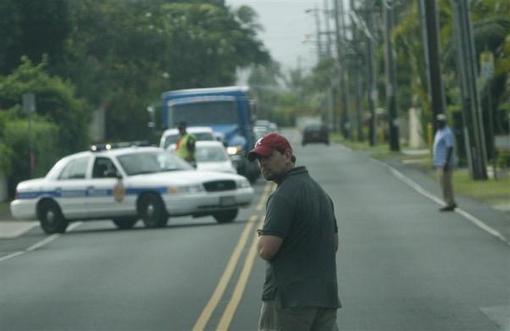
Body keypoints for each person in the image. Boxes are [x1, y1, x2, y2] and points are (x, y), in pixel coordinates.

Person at [247, 132, 341, 331]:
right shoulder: (320, 193)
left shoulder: (282, 197)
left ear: (287, 155)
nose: (263, 163)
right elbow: (333, 244)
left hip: (288, 300)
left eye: (268, 156)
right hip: (325, 297)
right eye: (259, 159)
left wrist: (263, 233)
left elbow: (266, 250)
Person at [433, 113, 457, 211]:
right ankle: (450, 202)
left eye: (440, 122)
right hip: (439, 162)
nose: (438, 124)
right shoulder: (439, 131)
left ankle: (449, 203)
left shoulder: (447, 132)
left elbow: (450, 147)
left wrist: (446, 162)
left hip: (444, 163)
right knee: (442, 183)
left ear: (444, 122)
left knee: (446, 183)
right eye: (437, 122)